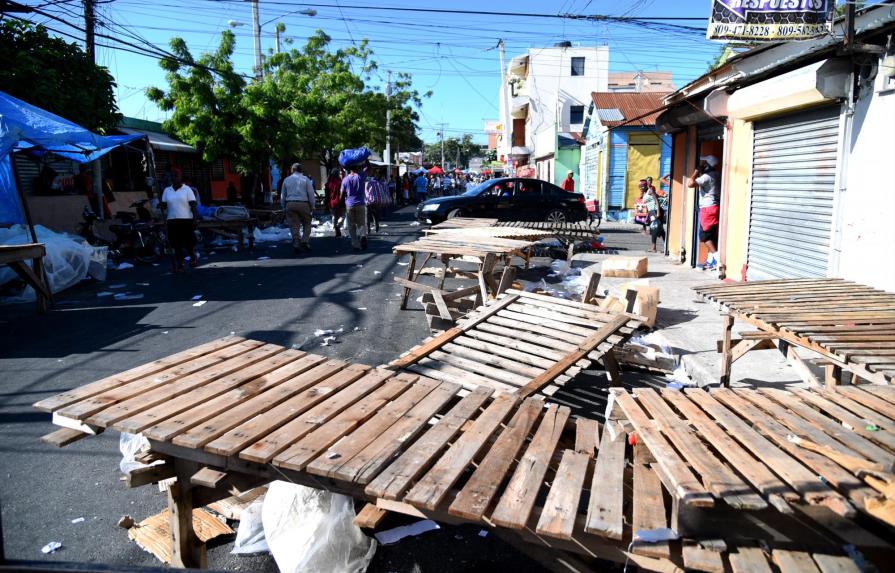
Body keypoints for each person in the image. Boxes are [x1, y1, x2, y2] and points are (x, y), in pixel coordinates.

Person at [160, 168, 198, 273]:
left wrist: (195, 219)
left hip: (186, 220)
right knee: (176, 244)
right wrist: (161, 205)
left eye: (176, 175)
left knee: (188, 243)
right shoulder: (167, 190)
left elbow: (193, 205)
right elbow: (164, 204)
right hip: (172, 220)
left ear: (181, 177)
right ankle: (180, 265)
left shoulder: (187, 189)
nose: (174, 178)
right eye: (172, 176)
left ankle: (193, 256)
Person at [688, 155, 721, 270]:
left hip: (707, 208)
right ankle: (711, 261)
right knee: (711, 236)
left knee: (705, 237)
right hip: (715, 206)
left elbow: (690, 184)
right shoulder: (717, 174)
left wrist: (696, 171)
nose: (702, 164)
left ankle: (718, 260)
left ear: (707, 165)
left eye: (703, 163)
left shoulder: (706, 176)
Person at [280, 163, 316, 254]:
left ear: (292, 170)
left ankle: (296, 243)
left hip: (290, 204)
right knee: (307, 223)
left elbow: (283, 195)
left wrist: (283, 206)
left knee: (294, 225)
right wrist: (312, 206)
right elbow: (311, 194)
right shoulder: (306, 179)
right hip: (304, 204)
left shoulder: (286, 180)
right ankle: (304, 240)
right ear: (301, 170)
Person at [341, 161, 369, 251]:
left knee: (351, 226)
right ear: (357, 168)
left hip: (349, 204)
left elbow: (341, 194)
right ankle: (363, 236)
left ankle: (355, 244)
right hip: (360, 203)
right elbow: (368, 167)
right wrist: (365, 160)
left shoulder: (345, 180)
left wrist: (342, 203)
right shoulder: (361, 176)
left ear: (349, 169)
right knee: (361, 223)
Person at [644, 186, 665, 253]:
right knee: (660, 230)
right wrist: (648, 215)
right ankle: (666, 247)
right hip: (652, 211)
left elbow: (656, 201)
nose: (641, 187)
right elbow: (648, 205)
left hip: (655, 211)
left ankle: (654, 248)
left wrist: (658, 213)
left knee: (654, 228)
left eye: (642, 185)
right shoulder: (646, 193)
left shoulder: (650, 191)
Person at [325, 169, 344, 237]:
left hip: (331, 203)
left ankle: (336, 229)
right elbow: (344, 192)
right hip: (340, 202)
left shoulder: (328, 183)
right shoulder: (340, 182)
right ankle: (338, 226)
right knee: (342, 216)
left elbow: (326, 195)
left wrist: (326, 203)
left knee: (334, 216)